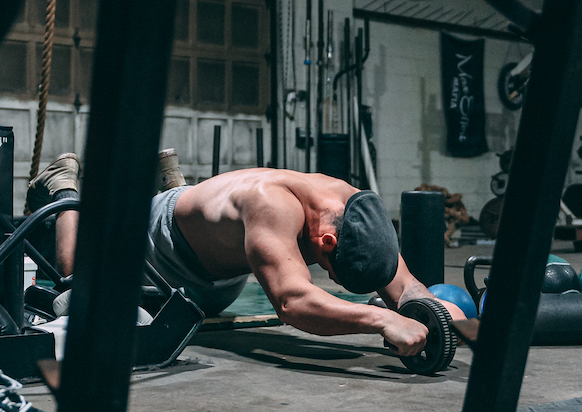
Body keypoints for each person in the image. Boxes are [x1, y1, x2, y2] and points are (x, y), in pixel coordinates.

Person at [26, 152, 469, 357]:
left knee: (204, 302)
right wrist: (382, 319)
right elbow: (292, 302)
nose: (331, 277)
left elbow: (404, 285)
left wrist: (434, 313)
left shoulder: (353, 207)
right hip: (162, 246)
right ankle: (65, 187)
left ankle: (177, 183)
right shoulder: (272, 205)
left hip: (217, 272)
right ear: (327, 243)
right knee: (77, 280)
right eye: (331, 271)